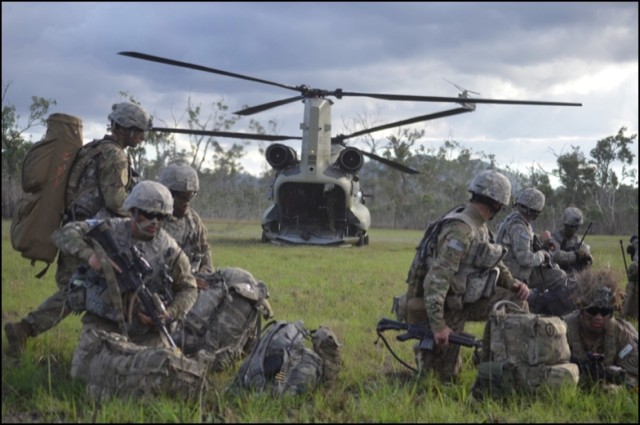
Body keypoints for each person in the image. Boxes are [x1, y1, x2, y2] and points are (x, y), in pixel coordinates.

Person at [5, 102, 153, 357]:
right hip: (94, 236)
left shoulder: (92, 149)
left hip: (75, 228)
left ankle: (26, 329)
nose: (141, 136)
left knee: (76, 291)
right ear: (125, 129)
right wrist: (140, 211)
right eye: (138, 130)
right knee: (93, 291)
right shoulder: (115, 156)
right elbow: (115, 202)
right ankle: (110, 351)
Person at [53, 180, 198, 380]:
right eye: (148, 214)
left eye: (161, 216)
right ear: (133, 211)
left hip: (147, 332)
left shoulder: (170, 250)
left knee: (154, 377)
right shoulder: (109, 229)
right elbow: (64, 234)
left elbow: (189, 289)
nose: (154, 222)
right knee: (81, 375)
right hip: (104, 322)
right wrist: (91, 256)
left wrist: (169, 314)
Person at [415, 169, 530, 383]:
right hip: (450, 306)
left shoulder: (480, 225)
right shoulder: (462, 229)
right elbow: (437, 279)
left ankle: (495, 358)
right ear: (497, 204)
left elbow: (494, 259)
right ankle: (431, 355)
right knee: (442, 378)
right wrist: (438, 325)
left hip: (469, 299)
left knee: (515, 302)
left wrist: (513, 283)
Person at [157, 163, 273, 368]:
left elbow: (204, 250)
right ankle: (208, 351)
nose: (185, 203)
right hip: (170, 293)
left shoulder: (193, 220)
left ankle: (236, 343)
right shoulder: (153, 219)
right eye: (180, 197)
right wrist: (186, 282)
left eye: (189, 197)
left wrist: (204, 273)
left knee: (241, 279)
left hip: (195, 284)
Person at [495, 187, 569, 315]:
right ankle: (547, 310)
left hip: (509, 270)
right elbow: (525, 258)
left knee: (555, 271)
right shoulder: (519, 227)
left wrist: (541, 243)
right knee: (560, 276)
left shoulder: (512, 220)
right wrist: (542, 255)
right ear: (536, 211)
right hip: (516, 274)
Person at [563, 268, 638, 390]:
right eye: (593, 311)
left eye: (604, 312)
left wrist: (617, 388)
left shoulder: (622, 333)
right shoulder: (564, 329)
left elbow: (634, 375)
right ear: (581, 310)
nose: (598, 317)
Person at [542, 207, 593, 276]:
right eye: (571, 227)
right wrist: (576, 256)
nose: (574, 230)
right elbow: (556, 256)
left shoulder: (577, 240)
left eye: (576, 227)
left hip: (575, 275)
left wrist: (587, 258)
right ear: (565, 225)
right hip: (558, 275)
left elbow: (586, 254)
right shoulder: (554, 238)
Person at [621, 234, 638, 320]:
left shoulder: (636, 244)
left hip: (635, 268)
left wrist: (631, 274)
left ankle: (624, 313)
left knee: (630, 289)